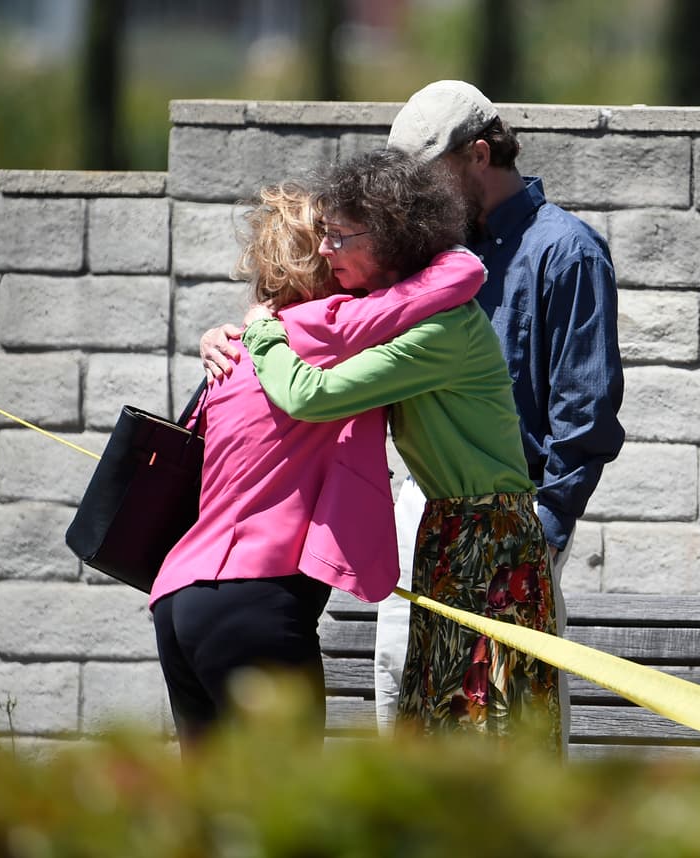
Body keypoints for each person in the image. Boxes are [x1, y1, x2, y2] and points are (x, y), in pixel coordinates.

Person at [238, 149, 563, 748]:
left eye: (338, 236)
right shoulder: (402, 315)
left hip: (486, 538)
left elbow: (311, 393)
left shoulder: (440, 333)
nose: (326, 249)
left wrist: (259, 330)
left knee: (483, 730)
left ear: (389, 238)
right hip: (454, 528)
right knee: (440, 720)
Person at [150, 179, 485, 750]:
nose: (342, 249)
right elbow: (464, 272)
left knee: (211, 817)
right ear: (316, 260)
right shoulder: (326, 326)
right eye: (331, 238)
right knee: (287, 812)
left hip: (178, 601)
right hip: (255, 600)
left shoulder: (239, 351)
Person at [376, 79, 626, 735]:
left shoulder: (565, 250)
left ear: (480, 156)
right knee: (405, 703)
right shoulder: (431, 254)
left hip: (513, 516)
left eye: (428, 177)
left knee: (508, 723)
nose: (415, 195)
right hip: (424, 509)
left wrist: (543, 524)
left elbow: (586, 409)